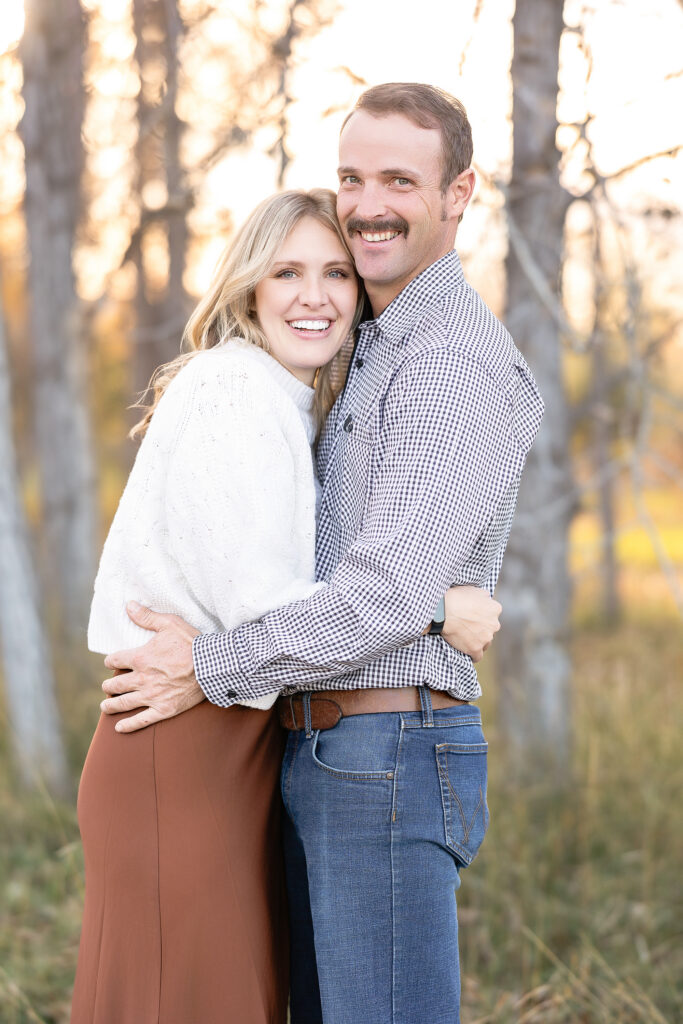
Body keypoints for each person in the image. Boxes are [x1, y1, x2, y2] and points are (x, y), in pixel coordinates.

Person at [100, 83, 544, 1024]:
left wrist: (208, 665)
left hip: (382, 745)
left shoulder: (447, 362)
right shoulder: (360, 352)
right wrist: (435, 608)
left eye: (399, 180)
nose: (368, 204)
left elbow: (381, 596)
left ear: (459, 192)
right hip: (317, 745)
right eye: (352, 178)